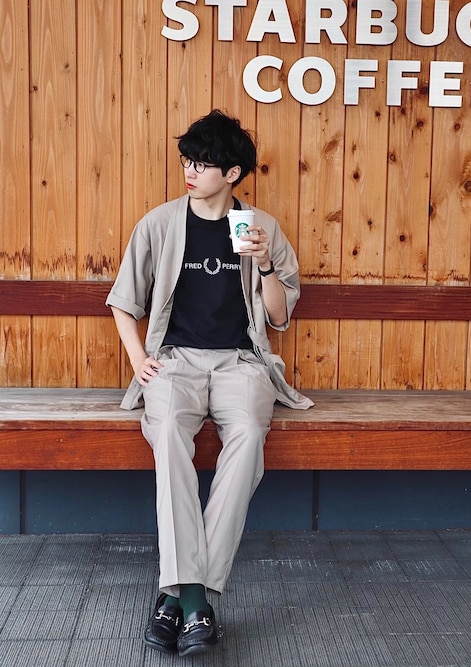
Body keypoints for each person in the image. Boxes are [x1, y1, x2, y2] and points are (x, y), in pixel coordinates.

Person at [106, 109, 313, 657]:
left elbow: (278, 318)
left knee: (247, 437)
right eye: (187, 162)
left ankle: (176, 596)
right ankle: (197, 603)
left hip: (241, 362)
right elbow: (123, 302)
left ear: (233, 173)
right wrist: (138, 360)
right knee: (167, 435)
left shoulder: (259, 228)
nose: (190, 172)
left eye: (202, 164)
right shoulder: (160, 224)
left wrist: (265, 265)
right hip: (174, 360)